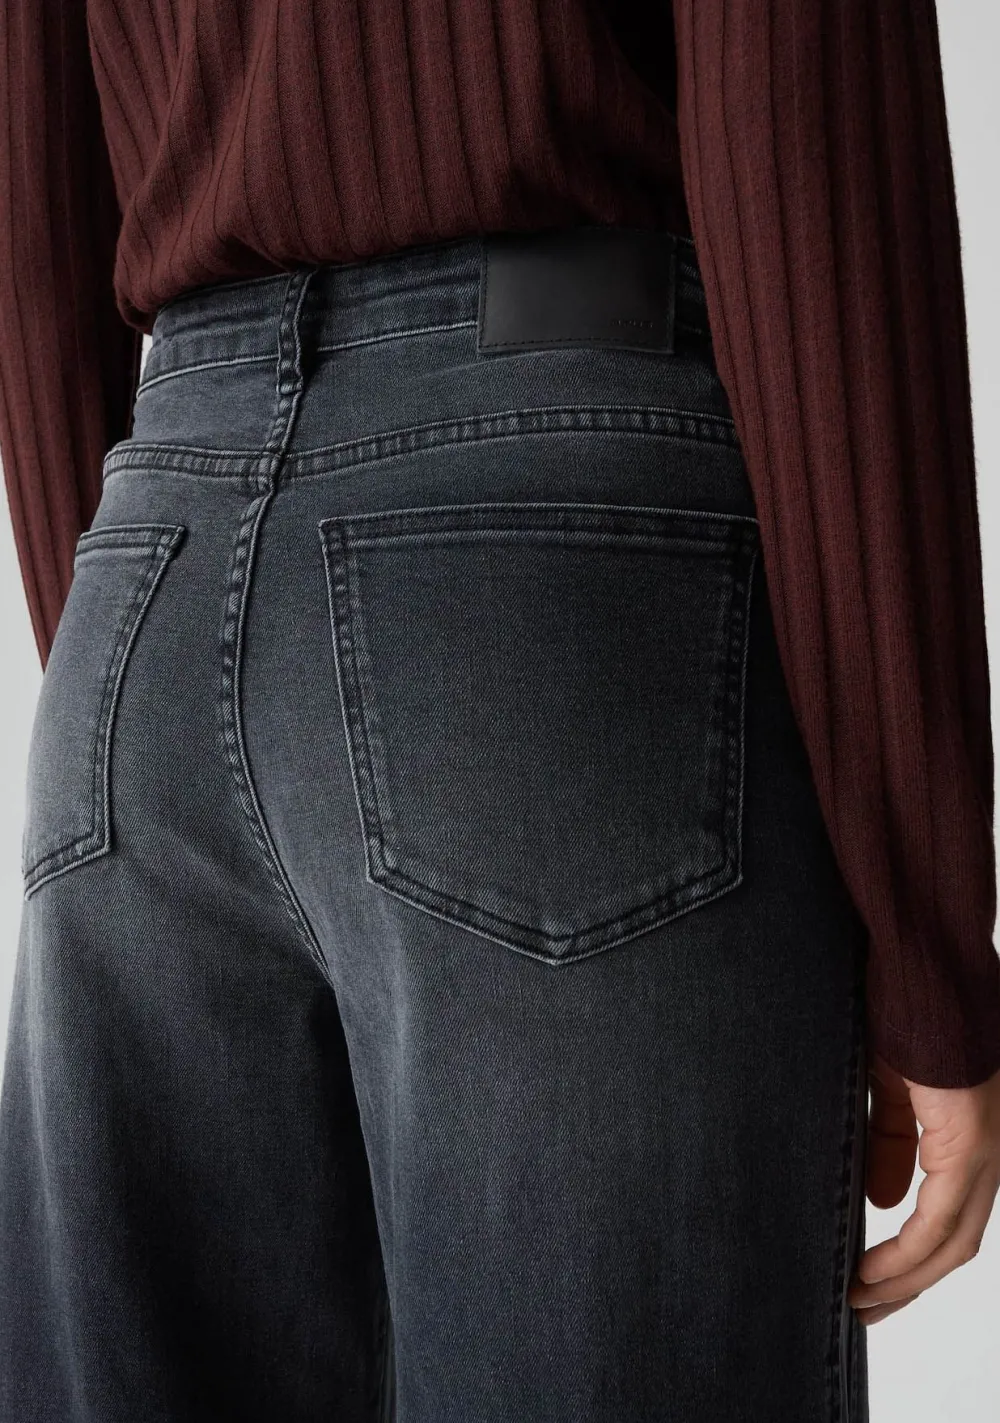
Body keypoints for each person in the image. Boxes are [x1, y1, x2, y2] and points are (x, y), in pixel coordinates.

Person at [0, 1, 997, 1419]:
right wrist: (927, 938)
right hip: (547, 569)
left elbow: (33, 200)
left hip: (145, 580)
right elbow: (809, 145)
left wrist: (117, 667)